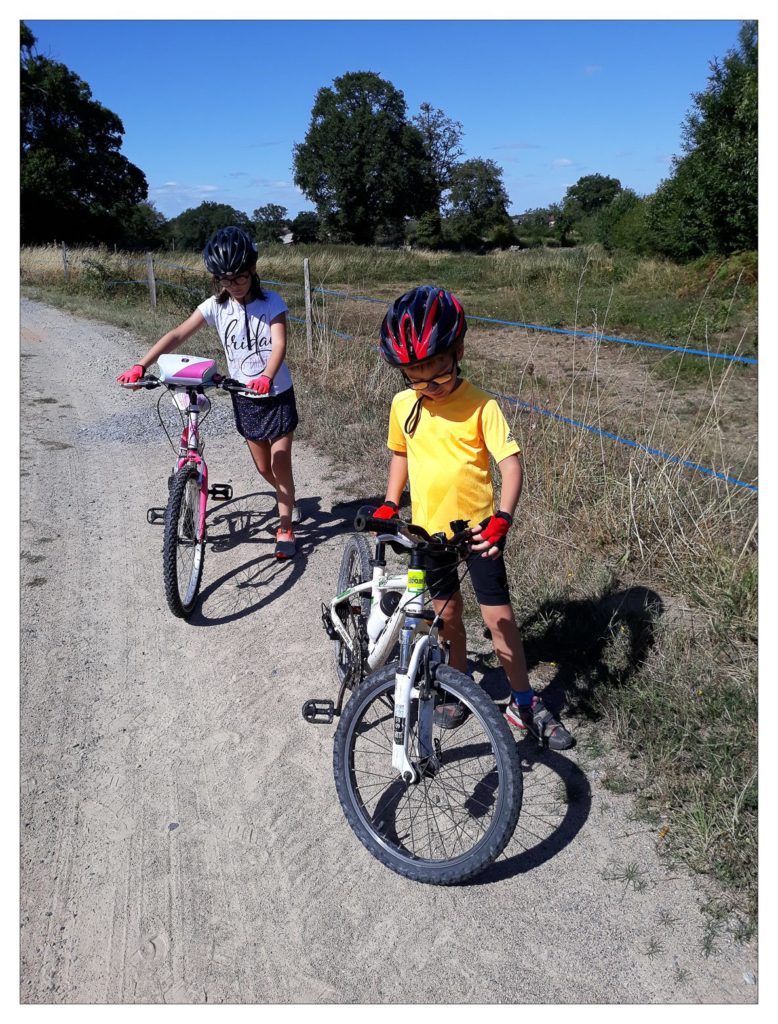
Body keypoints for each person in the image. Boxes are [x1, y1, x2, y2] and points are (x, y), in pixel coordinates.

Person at [373, 284, 573, 748]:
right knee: (447, 616)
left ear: (458, 352)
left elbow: (511, 465)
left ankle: (523, 702)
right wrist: (390, 500)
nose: (429, 386)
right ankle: (458, 681)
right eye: (416, 378)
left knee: (500, 620)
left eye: (438, 374)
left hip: (479, 533)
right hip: (427, 533)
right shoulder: (403, 405)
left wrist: (503, 518)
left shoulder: (482, 406)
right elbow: (401, 454)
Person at [117, 226, 299, 559]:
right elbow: (177, 334)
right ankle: (286, 497)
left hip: (276, 394)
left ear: (252, 269)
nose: (234, 284)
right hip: (244, 396)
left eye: (240, 276)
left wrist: (267, 376)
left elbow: (279, 344)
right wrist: (141, 365)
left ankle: (285, 525)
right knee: (263, 467)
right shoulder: (216, 306)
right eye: (226, 279)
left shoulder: (271, 301)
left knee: (280, 460)